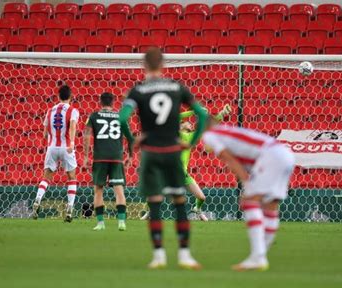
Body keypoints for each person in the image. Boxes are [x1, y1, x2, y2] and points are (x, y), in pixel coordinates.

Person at [119, 48, 208, 269]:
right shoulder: (177, 87)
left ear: (145, 66)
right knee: (179, 202)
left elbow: (122, 118)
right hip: (172, 152)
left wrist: (133, 140)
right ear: (163, 65)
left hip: (151, 153)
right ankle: (185, 255)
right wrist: (191, 141)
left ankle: (159, 256)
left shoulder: (138, 90)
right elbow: (204, 114)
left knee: (155, 204)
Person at [202, 117, 295, 271]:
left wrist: (246, 184)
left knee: (249, 201)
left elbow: (230, 159)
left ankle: (258, 257)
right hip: (285, 154)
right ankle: (259, 256)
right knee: (270, 206)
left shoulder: (210, 134)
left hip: (270, 156)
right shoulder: (227, 131)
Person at [139, 104, 232, 221]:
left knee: (201, 197)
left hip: (183, 174)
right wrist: (193, 112)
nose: (190, 123)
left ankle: (197, 210)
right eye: (186, 122)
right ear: (180, 126)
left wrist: (222, 113)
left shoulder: (190, 137)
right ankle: (149, 212)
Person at [83, 92, 134, 231]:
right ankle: (121, 222)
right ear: (113, 102)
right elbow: (130, 138)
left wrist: (86, 156)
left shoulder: (93, 116)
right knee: (119, 189)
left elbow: (87, 136)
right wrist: (130, 155)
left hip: (100, 157)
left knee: (98, 190)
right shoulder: (120, 117)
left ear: (101, 102)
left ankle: (100, 224)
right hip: (116, 157)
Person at [32, 85, 79, 223]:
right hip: (66, 147)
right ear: (71, 97)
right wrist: (71, 143)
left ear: (58, 97)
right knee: (71, 177)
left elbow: (45, 133)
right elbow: (73, 126)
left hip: (52, 147)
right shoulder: (72, 110)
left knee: (46, 177)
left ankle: (38, 199)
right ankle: (70, 208)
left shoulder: (50, 110)